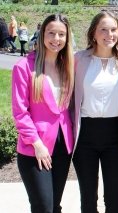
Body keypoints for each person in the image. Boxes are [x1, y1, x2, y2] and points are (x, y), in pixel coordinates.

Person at [11, 14, 74, 213]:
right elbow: (20, 112)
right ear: (42, 34)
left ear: (67, 38)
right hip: (35, 148)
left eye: (61, 34)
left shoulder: (69, 66)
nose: (56, 38)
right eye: (51, 33)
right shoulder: (24, 67)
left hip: (63, 145)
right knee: (43, 207)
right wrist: (37, 144)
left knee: (55, 206)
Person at [72, 10, 118, 213]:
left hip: (116, 137)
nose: (109, 34)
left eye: (114, 29)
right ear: (94, 34)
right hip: (85, 136)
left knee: (114, 200)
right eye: (103, 30)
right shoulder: (78, 59)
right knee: (88, 200)